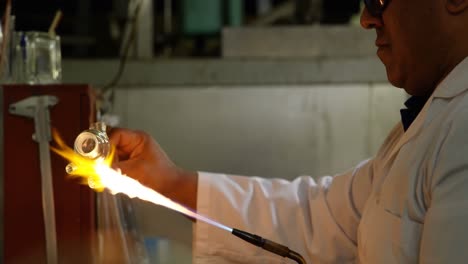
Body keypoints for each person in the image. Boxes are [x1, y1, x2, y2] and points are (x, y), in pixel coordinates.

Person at [109, 0, 468, 262]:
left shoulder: (461, 134)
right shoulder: (432, 119)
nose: (366, 19)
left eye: (379, 0)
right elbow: (322, 218)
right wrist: (170, 183)